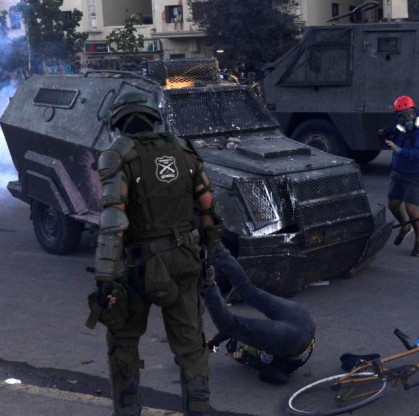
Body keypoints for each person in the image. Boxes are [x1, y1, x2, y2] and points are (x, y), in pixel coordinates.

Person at [89, 91, 220, 415]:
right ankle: (199, 409)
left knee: (123, 343)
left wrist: (105, 277)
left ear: (119, 123)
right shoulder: (184, 150)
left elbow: (113, 218)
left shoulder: (117, 155)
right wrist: (206, 255)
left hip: (140, 266)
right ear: (153, 117)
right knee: (191, 348)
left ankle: (129, 409)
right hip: (185, 259)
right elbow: (209, 210)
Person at [201, 243, 316, 385]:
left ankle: (216, 249)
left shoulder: (257, 352)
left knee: (247, 291)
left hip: (304, 320)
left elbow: (235, 333)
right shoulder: (258, 351)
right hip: (295, 337)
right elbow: (281, 378)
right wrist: (254, 362)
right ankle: (213, 256)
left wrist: (210, 347)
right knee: (233, 319)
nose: (241, 345)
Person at [380, 95, 419, 256]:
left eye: (409, 114)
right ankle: (405, 226)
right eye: (402, 116)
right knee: (393, 205)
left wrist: (399, 150)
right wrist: (384, 137)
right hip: (398, 173)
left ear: (414, 112)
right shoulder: (399, 129)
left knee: (411, 208)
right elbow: (390, 140)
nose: (407, 118)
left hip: (415, 174)